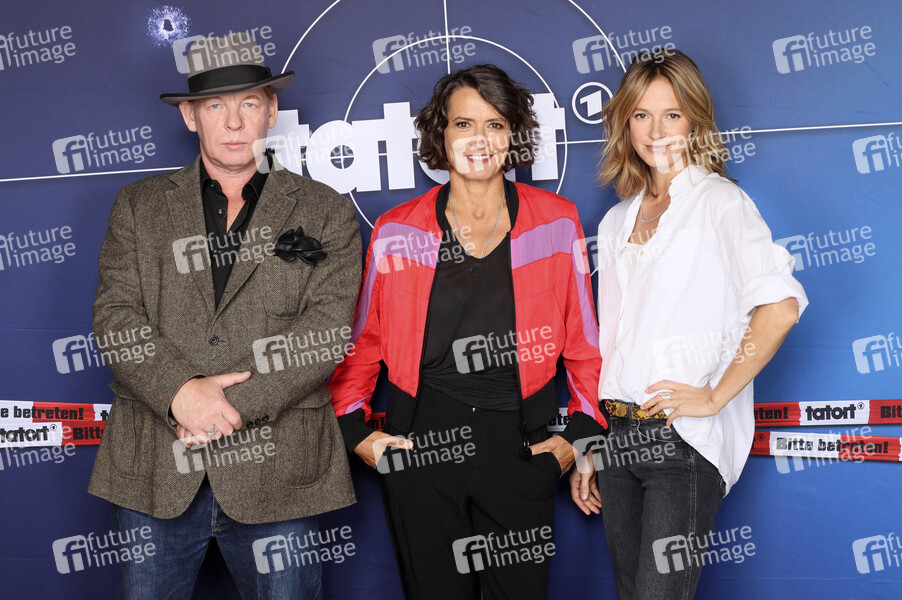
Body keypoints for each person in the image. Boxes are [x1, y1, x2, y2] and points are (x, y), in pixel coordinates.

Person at [89, 34, 361, 600]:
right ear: (190, 115)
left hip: (281, 470)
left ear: (271, 110)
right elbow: (116, 318)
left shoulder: (326, 211)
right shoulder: (137, 207)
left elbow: (325, 332)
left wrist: (219, 410)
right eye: (215, 105)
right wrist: (180, 393)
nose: (234, 122)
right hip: (156, 467)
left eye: (249, 103)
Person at [328, 64, 608, 599]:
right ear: (441, 135)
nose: (480, 139)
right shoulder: (396, 230)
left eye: (496, 124)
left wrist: (575, 440)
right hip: (421, 447)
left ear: (513, 135)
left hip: (521, 449)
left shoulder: (557, 221)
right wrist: (357, 435)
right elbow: (362, 345)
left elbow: (584, 345)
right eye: (463, 124)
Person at [569, 49, 808, 599]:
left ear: (695, 120)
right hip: (617, 439)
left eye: (672, 114)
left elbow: (780, 307)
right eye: (642, 115)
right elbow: (614, 345)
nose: (657, 131)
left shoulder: (720, 202)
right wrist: (593, 445)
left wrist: (715, 395)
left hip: (681, 442)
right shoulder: (616, 220)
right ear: (624, 122)